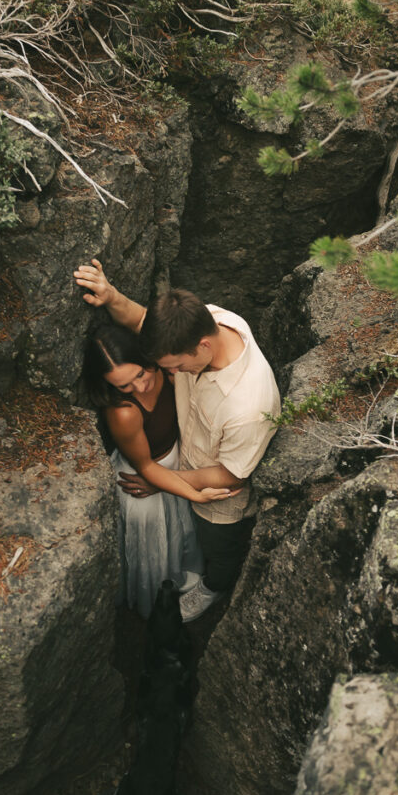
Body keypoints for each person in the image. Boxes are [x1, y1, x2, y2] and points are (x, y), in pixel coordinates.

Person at [75, 260, 281, 622]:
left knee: (219, 546)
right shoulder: (209, 321)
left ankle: (214, 587)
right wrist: (111, 297)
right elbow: (142, 323)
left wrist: (163, 483)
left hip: (219, 496)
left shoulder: (249, 406)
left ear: (202, 346)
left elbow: (231, 476)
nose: (166, 377)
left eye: (175, 367)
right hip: (182, 464)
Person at [83, 321, 237, 620]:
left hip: (175, 466)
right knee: (153, 549)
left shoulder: (169, 371)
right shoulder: (124, 412)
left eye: (141, 373)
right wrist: (197, 496)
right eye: (124, 385)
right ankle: (154, 606)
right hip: (144, 480)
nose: (140, 386)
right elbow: (146, 467)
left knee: (181, 536)